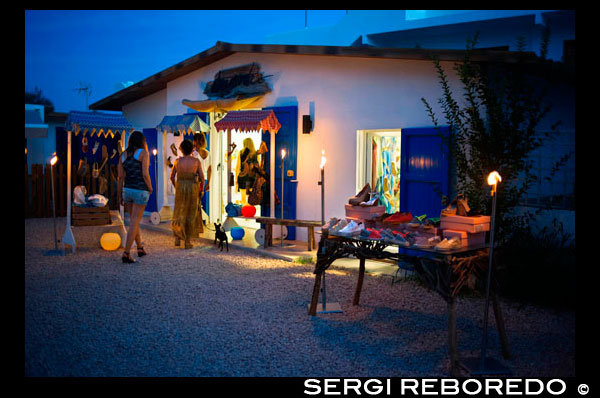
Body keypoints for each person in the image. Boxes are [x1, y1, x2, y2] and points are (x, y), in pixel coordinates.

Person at [117, 131, 153, 263]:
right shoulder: (143, 153)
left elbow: (120, 177)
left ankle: (140, 248)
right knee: (134, 222)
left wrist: (119, 195)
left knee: (134, 221)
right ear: (142, 141)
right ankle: (126, 253)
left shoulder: (123, 155)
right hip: (140, 190)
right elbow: (145, 174)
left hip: (127, 190)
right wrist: (150, 188)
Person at [170, 139, 204, 249]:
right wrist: (201, 189)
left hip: (180, 188)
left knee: (179, 212)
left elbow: (171, 177)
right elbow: (202, 178)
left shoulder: (177, 161)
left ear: (182, 149)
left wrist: (177, 186)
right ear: (191, 149)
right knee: (190, 213)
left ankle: (177, 238)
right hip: (192, 189)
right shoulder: (196, 161)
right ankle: (187, 241)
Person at [193, 132, 211, 231]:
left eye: (194, 140)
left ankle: (198, 226)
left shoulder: (195, 153)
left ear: (196, 141)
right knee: (198, 204)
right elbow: (210, 169)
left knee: (195, 204)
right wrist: (208, 183)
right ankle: (199, 226)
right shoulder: (208, 153)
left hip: (196, 180)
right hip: (204, 180)